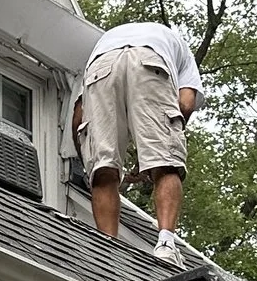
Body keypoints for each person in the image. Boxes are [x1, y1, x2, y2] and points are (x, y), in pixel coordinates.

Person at [73, 20, 200, 248]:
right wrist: (157, 153)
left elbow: (78, 116)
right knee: (166, 163)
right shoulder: (179, 47)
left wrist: (87, 161)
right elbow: (186, 103)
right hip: (151, 60)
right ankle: (166, 245)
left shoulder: (106, 41)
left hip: (101, 65)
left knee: (103, 168)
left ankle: (108, 249)